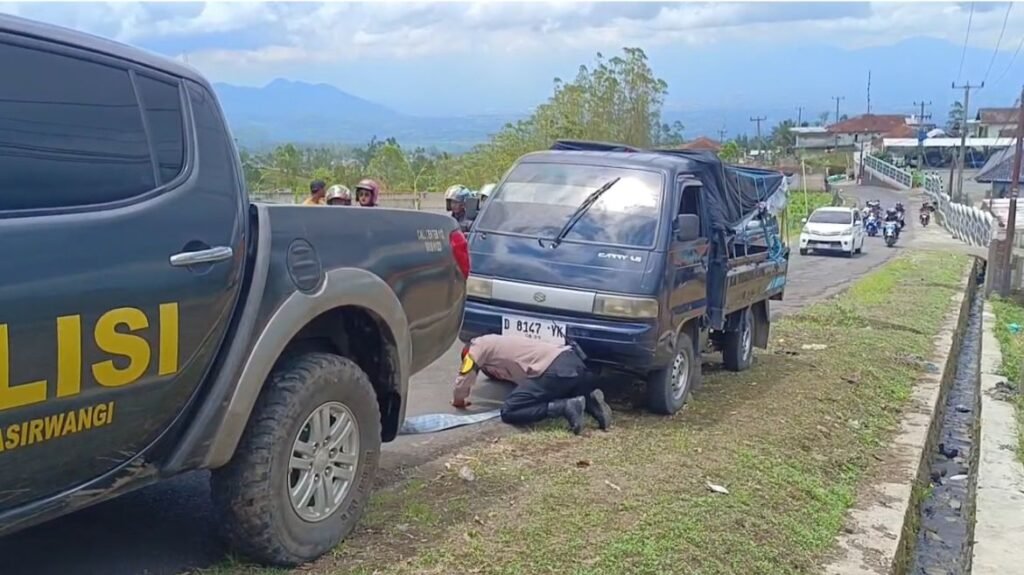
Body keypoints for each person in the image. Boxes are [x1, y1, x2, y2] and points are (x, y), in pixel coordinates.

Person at [453, 334, 612, 435]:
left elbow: (465, 376)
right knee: (560, 386)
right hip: (574, 363)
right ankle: (591, 401)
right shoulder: (498, 341)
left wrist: (458, 400)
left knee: (510, 411)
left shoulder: (476, 348)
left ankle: (564, 407)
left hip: (555, 369)